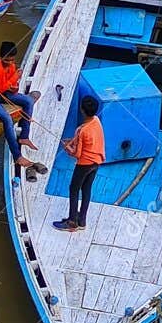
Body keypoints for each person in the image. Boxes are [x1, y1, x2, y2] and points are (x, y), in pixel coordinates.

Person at [0, 41, 37, 173]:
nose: (10, 62)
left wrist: (15, 86)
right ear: (1, 57)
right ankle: (17, 156)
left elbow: (11, 87)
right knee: (7, 119)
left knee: (28, 101)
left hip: (1, 93)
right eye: (7, 60)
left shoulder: (11, 66)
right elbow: (1, 87)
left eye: (12, 60)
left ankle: (24, 136)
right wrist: (15, 77)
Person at [55, 94, 104, 233]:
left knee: (74, 189)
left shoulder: (81, 130)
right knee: (86, 189)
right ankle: (82, 220)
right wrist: (74, 140)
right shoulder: (96, 120)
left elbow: (77, 154)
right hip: (97, 162)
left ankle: (72, 222)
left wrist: (66, 148)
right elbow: (90, 139)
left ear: (82, 110)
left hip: (84, 164)